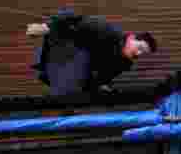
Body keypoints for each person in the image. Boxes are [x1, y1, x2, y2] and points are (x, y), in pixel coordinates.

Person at [27, 9, 157, 95]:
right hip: (64, 48)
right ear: (131, 38)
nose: (138, 53)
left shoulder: (123, 64)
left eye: (142, 53)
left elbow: (101, 78)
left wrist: (101, 86)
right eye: (139, 48)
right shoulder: (108, 31)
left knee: (74, 87)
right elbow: (74, 17)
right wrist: (46, 26)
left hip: (74, 68)